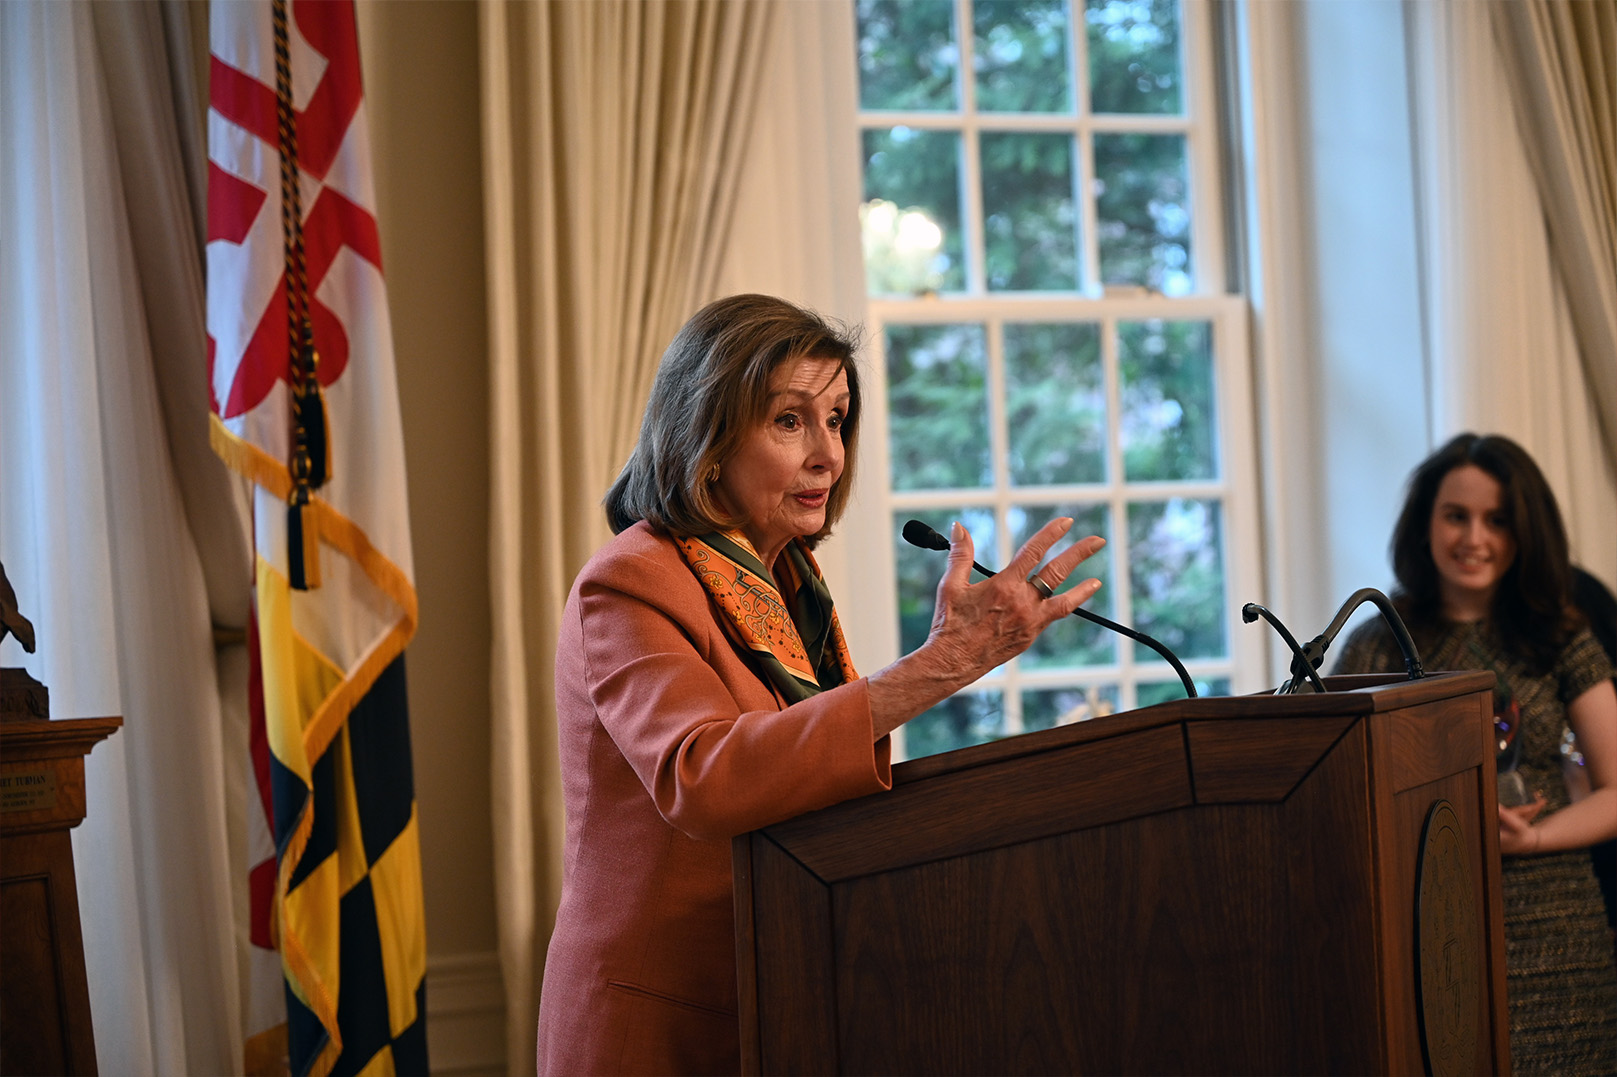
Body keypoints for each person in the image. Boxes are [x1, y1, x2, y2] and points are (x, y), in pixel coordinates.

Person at [534, 294, 1106, 1075]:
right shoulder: (632, 582)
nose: (828, 456)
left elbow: (813, 784)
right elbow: (705, 778)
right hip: (664, 1017)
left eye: (836, 419)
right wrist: (942, 663)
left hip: (786, 991)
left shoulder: (787, 583)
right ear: (705, 437)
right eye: (790, 420)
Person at [1334, 433, 1617, 1072]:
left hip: (1557, 935)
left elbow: (1616, 791)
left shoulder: (1562, 636)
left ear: (1526, 532)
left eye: (1497, 520)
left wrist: (1532, 841)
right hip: (1421, 930)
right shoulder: (1377, 645)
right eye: (1456, 516)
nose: (1475, 538)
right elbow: (1343, 793)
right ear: (1425, 523)